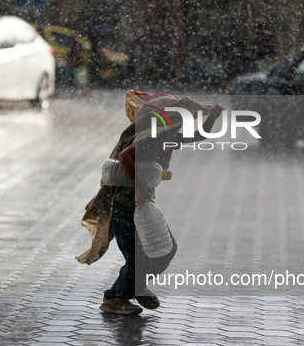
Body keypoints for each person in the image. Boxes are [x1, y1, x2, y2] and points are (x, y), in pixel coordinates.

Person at [77, 91, 225, 315]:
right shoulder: (151, 138)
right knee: (140, 258)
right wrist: (140, 189)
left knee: (164, 251)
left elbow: (198, 136)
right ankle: (114, 297)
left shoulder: (167, 135)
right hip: (126, 207)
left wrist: (212, 117)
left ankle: (134, 286)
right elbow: (126, 156)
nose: (179, 128)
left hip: (140, 206)